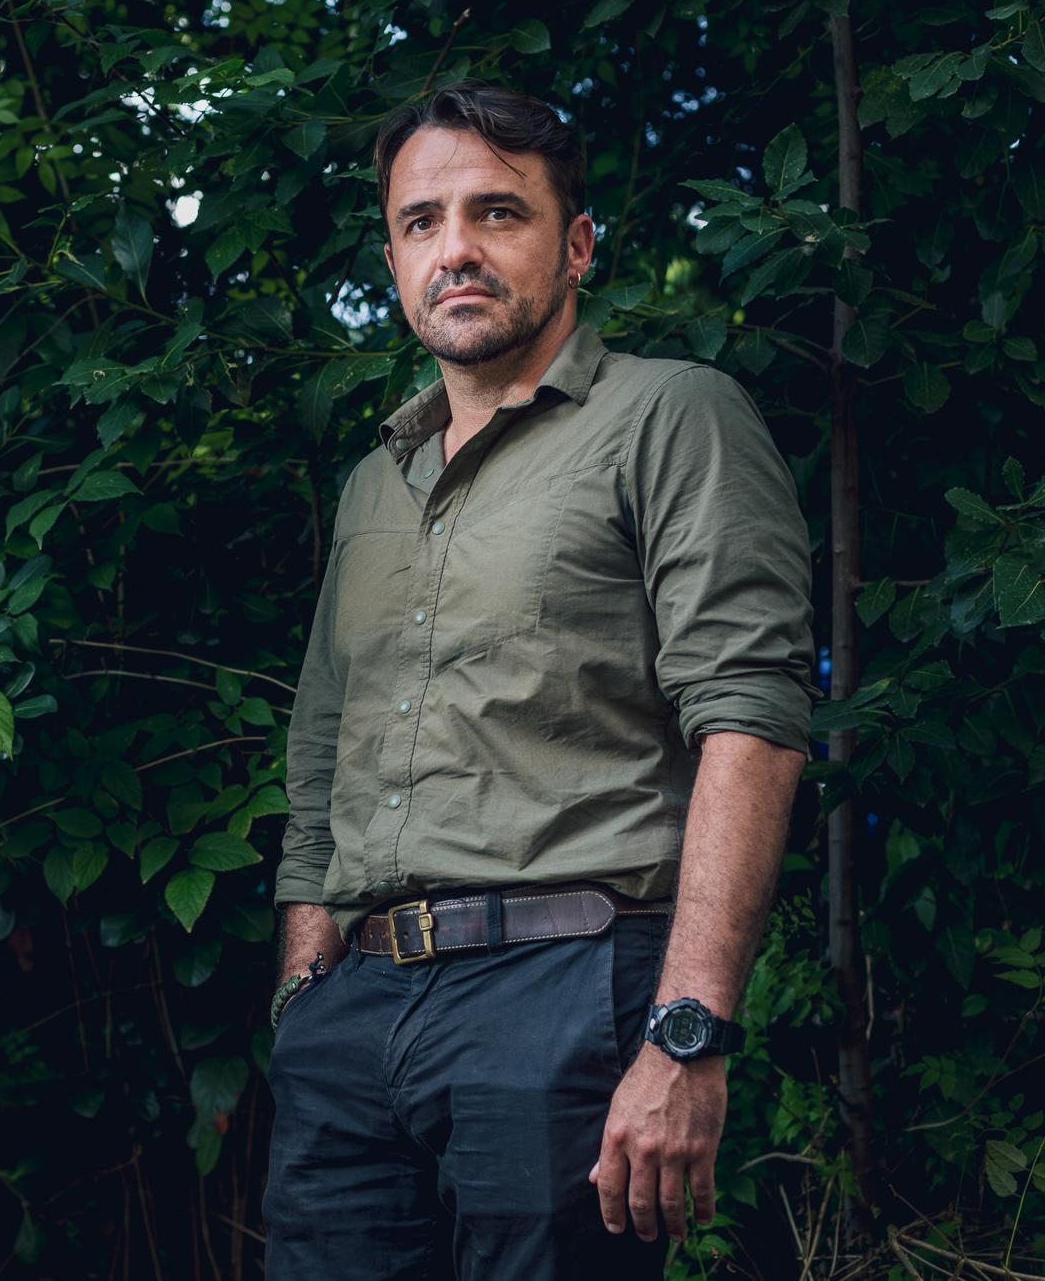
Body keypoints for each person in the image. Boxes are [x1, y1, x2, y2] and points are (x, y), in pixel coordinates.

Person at [261, 79, 820, 1279]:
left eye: (496, 212)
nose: (455, 248)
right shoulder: (373, 482)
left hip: (563, 992)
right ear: (392, 259)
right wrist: (303, 987)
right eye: (421, 222)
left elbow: (750, 721)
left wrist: (685, 1031)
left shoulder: (671, 415)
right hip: (351, 1017)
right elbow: (320, 747)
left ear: (574, 246)